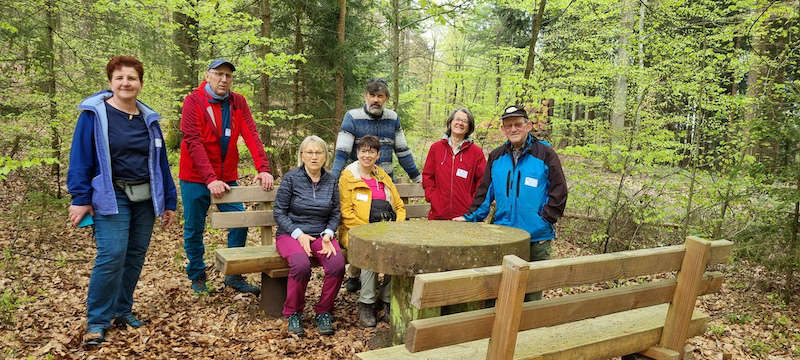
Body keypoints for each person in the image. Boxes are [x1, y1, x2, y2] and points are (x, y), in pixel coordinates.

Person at [67, 56, 177, 348]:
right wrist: (80, 198)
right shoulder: (95, 114)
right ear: (110, 82)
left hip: (144, 197)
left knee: (134, 254)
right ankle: (97, 321)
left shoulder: (148, 119)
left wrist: (169, 201)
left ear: (140, 83)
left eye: (132, 78)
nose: (126, 83)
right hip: (110, 194)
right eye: (120, 78)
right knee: (112, 254)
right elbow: (80, 157)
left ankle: (121, 309)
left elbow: (161, 163)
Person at [179, 58, 275, 295]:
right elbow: (192, 141)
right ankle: (197, 275)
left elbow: (251, 133)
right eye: (218, 74)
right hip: (195, 176)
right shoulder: (193, 101)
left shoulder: (237, 102)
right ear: (208, 75)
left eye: (228, 75)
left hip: (227, 175)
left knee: (240, 221)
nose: (223, 79)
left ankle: (234, 275)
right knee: (194, 227)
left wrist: (263, 168)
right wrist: (210, 178)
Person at [454, 105, 567, 301]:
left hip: (536, 238)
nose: (513, 129)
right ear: (503, 129)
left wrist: (545, 219)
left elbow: (559, 190)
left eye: (518, 124)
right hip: (504, 236)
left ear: (528, 126)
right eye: (508, 126)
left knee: (531, 298)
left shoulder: (545, 154)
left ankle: (529, 332)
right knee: (502, 295)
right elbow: (484, 192)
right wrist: (469, 217)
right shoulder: (497, 156)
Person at [331, 78, 421, 293]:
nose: (376, 100)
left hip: (384, 182)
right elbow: (342, 152)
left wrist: (417, 177)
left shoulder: (393, 119)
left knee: (385, 226)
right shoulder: (352, 117)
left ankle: (387, 290)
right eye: (372, 95)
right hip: (358, 183)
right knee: (362, 222)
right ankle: (355, 274)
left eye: (380, 96)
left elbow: (403, 150)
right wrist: (332, 180)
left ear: (386, 99)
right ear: (365, 96)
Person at [273, 136, 345, 337]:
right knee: (301, 265)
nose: (314, 157)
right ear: (302, 155)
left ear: (325, 156)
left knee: (337, 264)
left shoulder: (331, 181)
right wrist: (298, 234)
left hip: (321, 235)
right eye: (310, 152)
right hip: (291, 234)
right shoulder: (291, 178)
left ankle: (323, 311)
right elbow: (279, 212)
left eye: (319, 152)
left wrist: (328, 234)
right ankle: (293, 312)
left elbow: (335, 213)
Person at [338, 135, 407, 327]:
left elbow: (399, 206)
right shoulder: (348, 177)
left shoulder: (382, 176)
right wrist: (369, 232)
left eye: (371, 151)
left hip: (385, 230)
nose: (367, 155)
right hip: (355, 232)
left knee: (400, 250)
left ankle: (385, 299)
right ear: (357, 153)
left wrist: (397, 227)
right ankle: (366, 303)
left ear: (377, 155)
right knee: (371, 251)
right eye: (363, 151)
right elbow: (346, 213)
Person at [422, 108, 486, 220]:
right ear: (450, 122)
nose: (460, 123)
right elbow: (427, 176)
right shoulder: (436, 148)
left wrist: (472, 202)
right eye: (457, 119)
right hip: (438, 214)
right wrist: (432, 197)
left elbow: (482, 182)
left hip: (465, 215)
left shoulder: (476, 152)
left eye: (464, 121)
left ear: (469, 127)